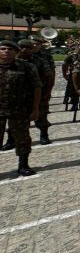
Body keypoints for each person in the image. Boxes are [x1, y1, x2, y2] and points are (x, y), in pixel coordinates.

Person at [0, 40, 41, 176]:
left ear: (16, 52)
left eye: (10, 49)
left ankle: (23, 165)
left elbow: (36, 87)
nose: (6, 51)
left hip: (19, 109)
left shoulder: (26, 67)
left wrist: (35, 109)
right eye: (3, 48)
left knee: (22, 139)